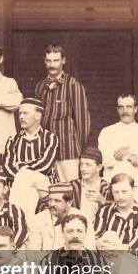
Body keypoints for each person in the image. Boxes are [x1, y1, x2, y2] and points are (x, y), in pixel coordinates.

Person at [34, 44, 90, 182]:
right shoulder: (40, 87)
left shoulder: (73, 85)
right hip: (45, 151)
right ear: (44, 61)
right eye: (49, 61)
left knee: (71, 188)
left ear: (63, 61)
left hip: (67, 150)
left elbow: (82, 121)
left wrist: (79, 148)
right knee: (48, 189)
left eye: (56, 60)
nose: (52, 65)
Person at [3, 98, 59, 217]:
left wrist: (22, 167)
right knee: (31, 191)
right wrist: (24, 175)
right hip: (21, 183)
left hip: (44, 182)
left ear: (38, 115)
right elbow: (7, 167)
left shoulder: (50, 138)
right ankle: (26, 226)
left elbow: (45, 165)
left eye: (25, 113)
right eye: (20, 113)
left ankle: (14, 219)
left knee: (24, 176)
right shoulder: (13, 139)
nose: (21, 117)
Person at [98, 94, 138, 199]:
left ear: (135, 109)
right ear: (117, 109)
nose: (125, 111)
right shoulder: (107, 132)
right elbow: (104, 160)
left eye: (129, 107)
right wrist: (128, 157)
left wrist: (130, 150)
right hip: (111, 185)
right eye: (121, 107)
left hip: (136, 185)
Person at [94, 173, 138, 254]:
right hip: (106, 257)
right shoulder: (104, 211)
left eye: (124, 192)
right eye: (116, 192)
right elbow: (96, 237)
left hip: (133, 261)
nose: (120, 197)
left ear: (133, 190)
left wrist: (116, 249)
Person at [27, 182, 95, 251]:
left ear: (69, 203)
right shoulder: (37, 220)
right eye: (50, 200)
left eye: (57, 201)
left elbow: (89, 250)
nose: (51, 204)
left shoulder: (84, 220)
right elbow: (33, 252)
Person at [69, 146, 112, 223]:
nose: (83, 168)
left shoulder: (108, 187)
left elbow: (121, 208)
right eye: (81, 164)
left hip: (100, 230)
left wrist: (104, 201)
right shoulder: (72, 186)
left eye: (88, 165)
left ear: (99, 167)